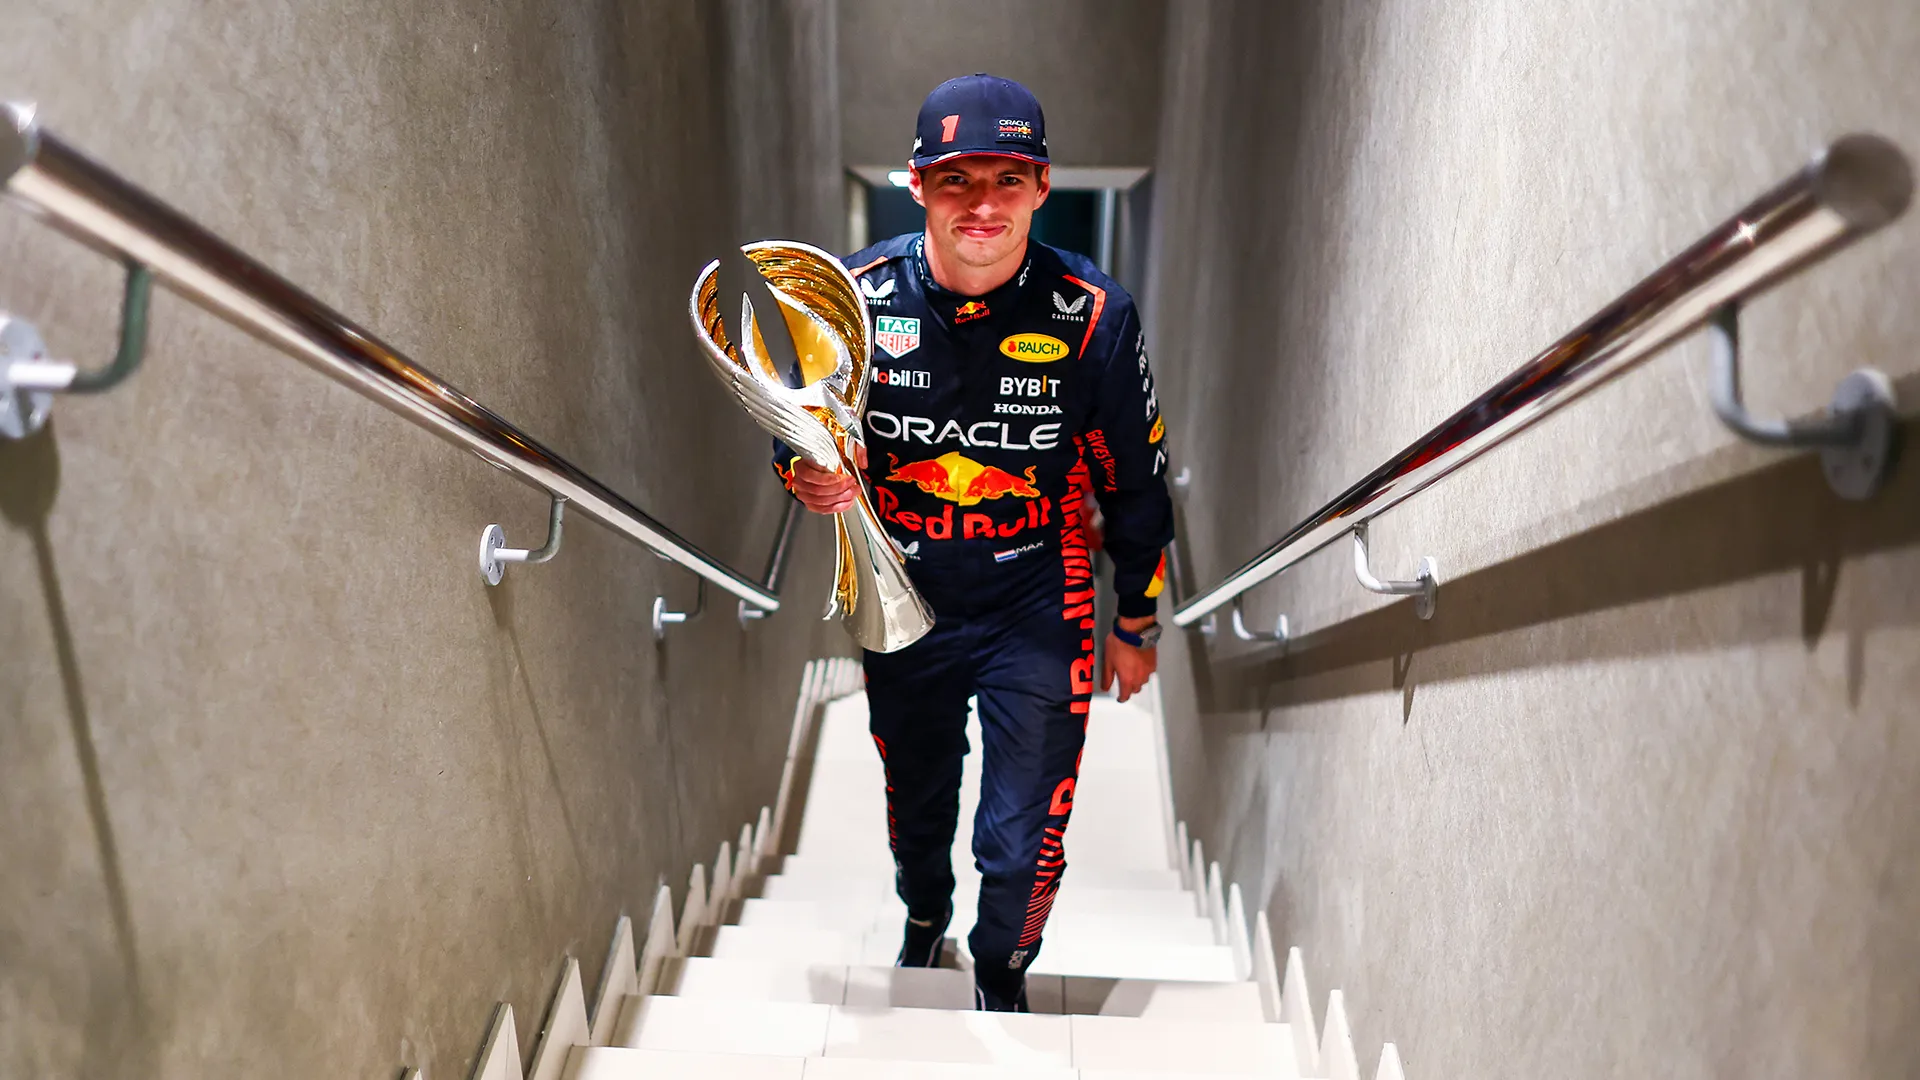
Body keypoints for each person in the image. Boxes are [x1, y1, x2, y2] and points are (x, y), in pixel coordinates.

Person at [774, 73, 1174, 1012]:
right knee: (919, 802)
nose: (982, 204)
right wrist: (808, 474)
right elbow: (793, 429)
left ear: (1042, 186)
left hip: (1039, 593)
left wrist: (1138, 619)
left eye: (1008, 178)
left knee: (1024, 830)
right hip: (902, 593)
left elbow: (1138, 486)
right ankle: (924, 916)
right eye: (957, 179)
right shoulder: (858, 297)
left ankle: (1000, 968)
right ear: (916, 186)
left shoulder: (1095, 316)